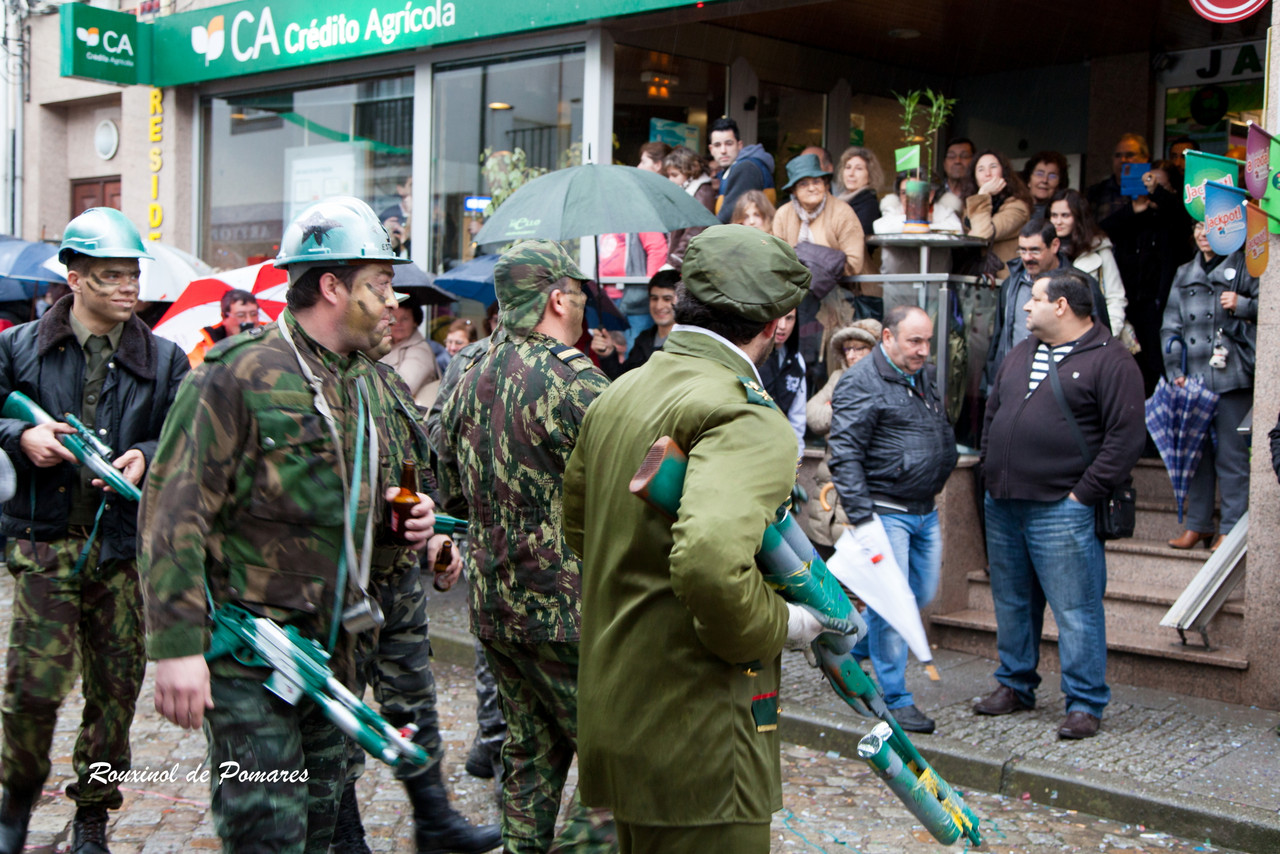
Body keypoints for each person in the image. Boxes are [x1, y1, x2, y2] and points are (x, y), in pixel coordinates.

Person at [138, 197, 445, 852]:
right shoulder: (238, 376)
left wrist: (410, 522)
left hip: (338, 658)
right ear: (333, 286)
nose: (393, 301)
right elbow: (172, 511)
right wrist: (176, 647)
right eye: (379, 284)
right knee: (270, 833)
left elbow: (392, 489)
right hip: (254, 658)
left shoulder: (373, 385)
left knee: (325, 823)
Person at [564, 224, 828, 854]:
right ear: (777, 322)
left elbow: (579, 526)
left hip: (616, 718)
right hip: (701, 738)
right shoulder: (743, 412)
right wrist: (785, 623)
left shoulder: (621, 391)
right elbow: (711, 564)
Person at [0, 207, 188, 854]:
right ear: (74, 279)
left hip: (121, 552)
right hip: (43, 542)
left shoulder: (166, 361)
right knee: (30, 690)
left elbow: (185, 438)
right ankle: (15, 803)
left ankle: (91, 816)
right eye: (110, 275)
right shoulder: (16, 348)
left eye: (132, 273)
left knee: (114, 693)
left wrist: (147, 455)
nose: (128, 287)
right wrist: (21, 435)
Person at [436, 240, 616, 854]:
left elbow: (448, 493)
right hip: (569, 612)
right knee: (619, 770)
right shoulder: (577, 379)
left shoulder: (467, 374)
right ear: (558, 297)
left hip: (493, 604)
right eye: (582, 293)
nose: (587, 304)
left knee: (528, 761)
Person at [333, 330, 500, 854]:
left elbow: (422, 476)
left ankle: (434, 821)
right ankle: (346, 836)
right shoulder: (284, 379)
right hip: (328, 587)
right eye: (378, 285)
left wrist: (438, 541)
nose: (392, 303)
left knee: (414, 701)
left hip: (394, 583)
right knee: (335, 713)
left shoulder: (385, 384)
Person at [976, 267, 1145, 740]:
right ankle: (1014, 684)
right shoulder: (1020, 353)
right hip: (1005, 503)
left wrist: (1081, 496)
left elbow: (1126, 438)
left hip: (1062, 507)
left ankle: (1085, 703)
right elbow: (993, 414)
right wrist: (990, 472)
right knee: (1011, 603)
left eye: (1035, 298)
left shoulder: (1112, 361)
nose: (1026, 306)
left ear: (1062, 306)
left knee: (1076, 610)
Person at [827, 306, 958, 734]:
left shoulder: (923, 374)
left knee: (919, 594)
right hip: (886, 513)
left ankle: (857, 644)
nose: (923, 351)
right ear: (887, 336)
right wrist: (863, 522)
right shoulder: (860, 381)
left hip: (925, 508)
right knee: (892, 603)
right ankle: (893, 699)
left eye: (927, 341)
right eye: (914, 341)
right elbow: (844, 454)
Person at [1160, 225, 1257, 550]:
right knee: (1196, 456)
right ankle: (1198, 525)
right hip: (1194, 378)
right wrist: (1176, 372)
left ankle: (1231, 529)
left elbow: (1270, 309)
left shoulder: (1244, 265)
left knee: (1232, 457)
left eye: (1211, 227)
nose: (1203, 234)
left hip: (1232, 375)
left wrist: (1242, 304)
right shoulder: (1185, 272)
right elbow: (1170, 327)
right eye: (1198, 227)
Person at [1100, 159, 1195, 396]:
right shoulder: (1134, 218)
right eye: (1147, 183)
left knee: (1159, 370)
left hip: (1162, 308)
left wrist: (1159, 195)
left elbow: (1182, 218)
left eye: (1157, 184)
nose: (1151, 189)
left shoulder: (1174, 218)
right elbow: (1104, 228)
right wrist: (1134, 209)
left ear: (1171, 189)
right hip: (1132, 306)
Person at [1049, 189, 1127, 337]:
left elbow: (1115, 297)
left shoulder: (1099, 249)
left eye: (1065, 215)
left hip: (1091, 336)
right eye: (1054, 215)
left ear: (1078, 217)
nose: (1058, 221)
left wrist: (1108, 334)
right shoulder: (1044, 250)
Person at [590, 269, 677, 379]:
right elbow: (622, 379)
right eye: (654, 298)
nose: (659, 306)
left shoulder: (686, 343)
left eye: (667, 299)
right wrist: (608, 354)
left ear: (680, 300)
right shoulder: (643, 339)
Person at [806, 319, 881, 437]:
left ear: (873, 349)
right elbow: (811, 414)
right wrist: (845, 409)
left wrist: (834, 406)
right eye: (847, 349)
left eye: (858, 349)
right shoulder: (838, 377)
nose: (850, 356)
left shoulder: (883, 380)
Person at [963, 149, 1032, 277]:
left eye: (993, 167)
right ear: (974, 177)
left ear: (1004, 173)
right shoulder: (970, 205)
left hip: (1003, 281)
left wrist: (983, 194)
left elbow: (982, 234)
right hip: (974, 281)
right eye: (981, 169)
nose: (987, 174)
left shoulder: (1018, 207)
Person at [709, 116, 776, 223]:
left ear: (739, 145)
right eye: (717, 145)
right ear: (711, 149)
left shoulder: (746, 168)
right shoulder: (736, 168)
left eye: (729, 143)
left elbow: (727, 217)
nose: (723, 150)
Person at [759, 307, 805, 455]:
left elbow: (797, 415)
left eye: (789, 318)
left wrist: (797, 457)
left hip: (783, 449)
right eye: (778, 317)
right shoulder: (754, 357)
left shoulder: (797, 362)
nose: (782, 326)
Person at [663, 145, 717, 271]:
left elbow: (696, 230)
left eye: (674, 175)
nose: (670, 180)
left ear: (690, 172)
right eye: (669, 175)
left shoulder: (702, 192)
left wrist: (675, 261)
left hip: (690, 265)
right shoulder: (691, 192)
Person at [380, 301, 440, 406]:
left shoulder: (421, 350)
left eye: (405, 319)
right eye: (393, 318)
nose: (398, 323)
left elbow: (403, 388)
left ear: (415, 321)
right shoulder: (385, 344)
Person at [187, 288, 258, 368]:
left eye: (254, 314)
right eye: (241, 315)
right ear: (224, 317)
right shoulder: (204, 351)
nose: (249, 321)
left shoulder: (270, 335)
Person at [1086, 133, 1148, 224]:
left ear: (1145, 158)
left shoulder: (1152, 191)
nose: (1123, 160)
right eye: (1118, 155)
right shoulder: (1096, 193)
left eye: (1130, 155)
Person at [835, 146, 885, 238]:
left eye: (859, 169)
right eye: (848, 167)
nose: (851, 173)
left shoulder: (869, 205)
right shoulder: (838, 202)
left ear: (870, 175)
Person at [1020, 151, 1070, 220]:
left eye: (1052, 176)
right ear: (1029, 180)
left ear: (1059, 183)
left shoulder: (1066, 213)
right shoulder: (1014, 208)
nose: (1045, 180)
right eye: (1039, 174)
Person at [942, 138, 976, 202]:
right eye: (951, 156)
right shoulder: (934, 193)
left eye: (964, 156)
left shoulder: (979, 194)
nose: (957, 161)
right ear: (944, 163)